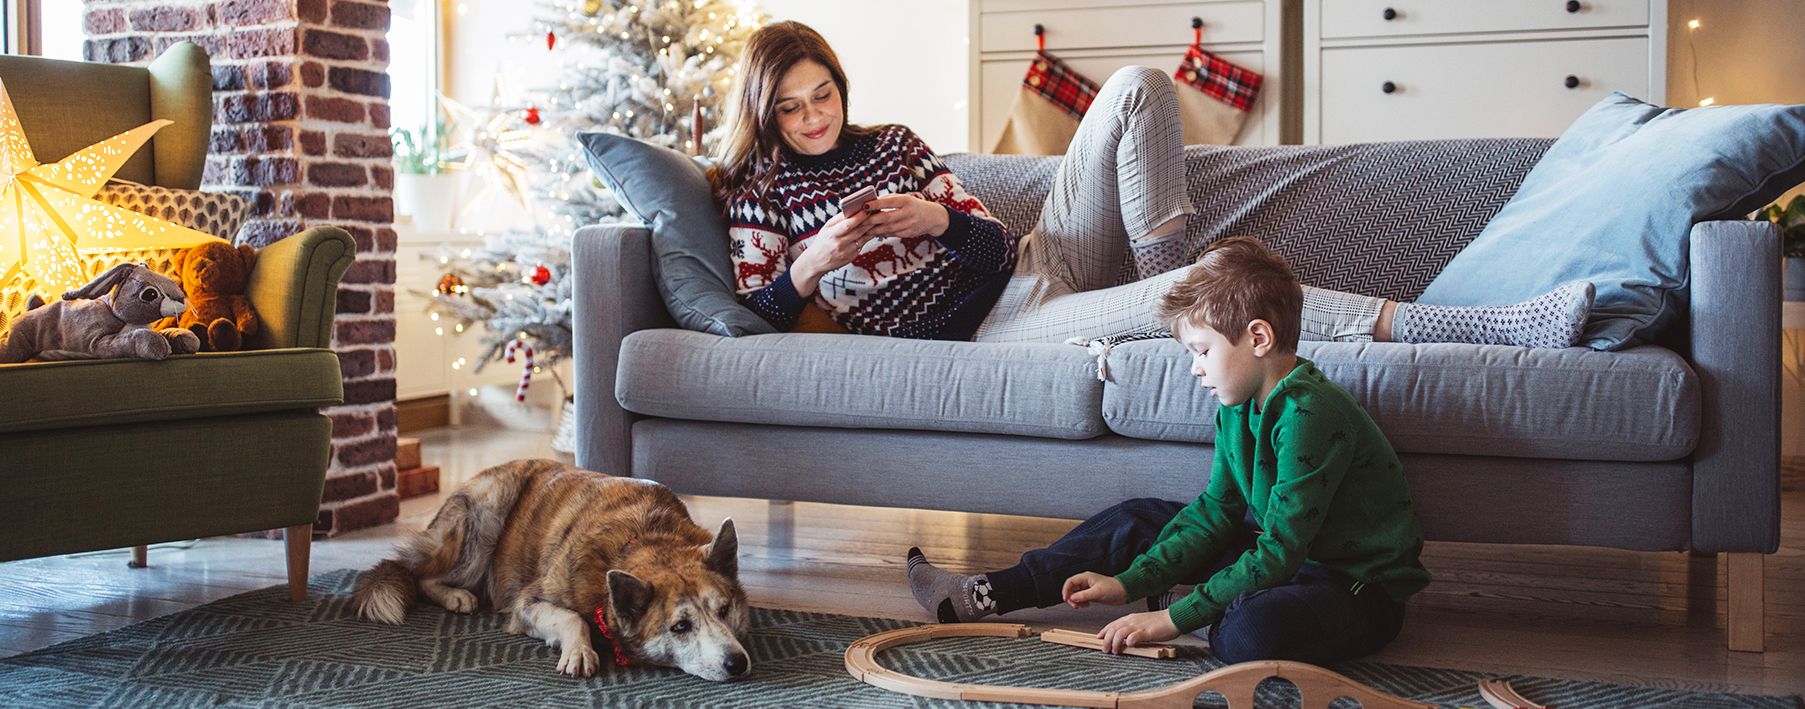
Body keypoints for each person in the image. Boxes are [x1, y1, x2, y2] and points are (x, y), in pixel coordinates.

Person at [713, 20, 1593, 348]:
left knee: (1138, 83)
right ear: (768, 113)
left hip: (1030, 262)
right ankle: (1476, 328)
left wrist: (936, 218)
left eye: (823, 93)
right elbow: (748, 318)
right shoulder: (761, 196)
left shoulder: (897, 143)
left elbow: (989, 243)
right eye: (792, 108)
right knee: (1205, 293)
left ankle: (1156, 277)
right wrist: (812, 260)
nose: (815, 116)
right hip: (996, 331)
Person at [907, 237, 1431, 664]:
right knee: (1137, 518)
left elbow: (1280, 551)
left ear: (1259, 338)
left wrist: (1169, 622)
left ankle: (1203, 609)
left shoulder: (1310, 414)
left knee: (1251, 636)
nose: (1195, 367)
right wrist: (1127, 582)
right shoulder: (1236, 402)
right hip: (1280, 560)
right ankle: (984, 594)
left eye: (1202, 351)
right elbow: (1217, 511)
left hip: (1353, 586)